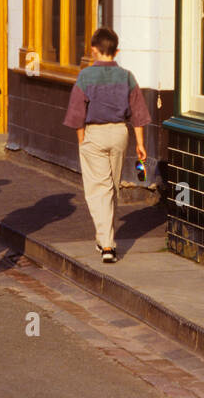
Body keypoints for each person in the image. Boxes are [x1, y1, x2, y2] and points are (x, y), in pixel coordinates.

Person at [63, 28, 149, 263]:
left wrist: (82, 139)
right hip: (120, 133)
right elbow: (138, 112)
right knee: (112, 186)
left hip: (95, 133)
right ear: (117, 51)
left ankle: (108, 244)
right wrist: (140, 144)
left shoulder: (85, 77)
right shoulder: (127, 76)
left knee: (97, 189)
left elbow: (77, 112)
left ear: (93, 50)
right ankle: (104, 238)